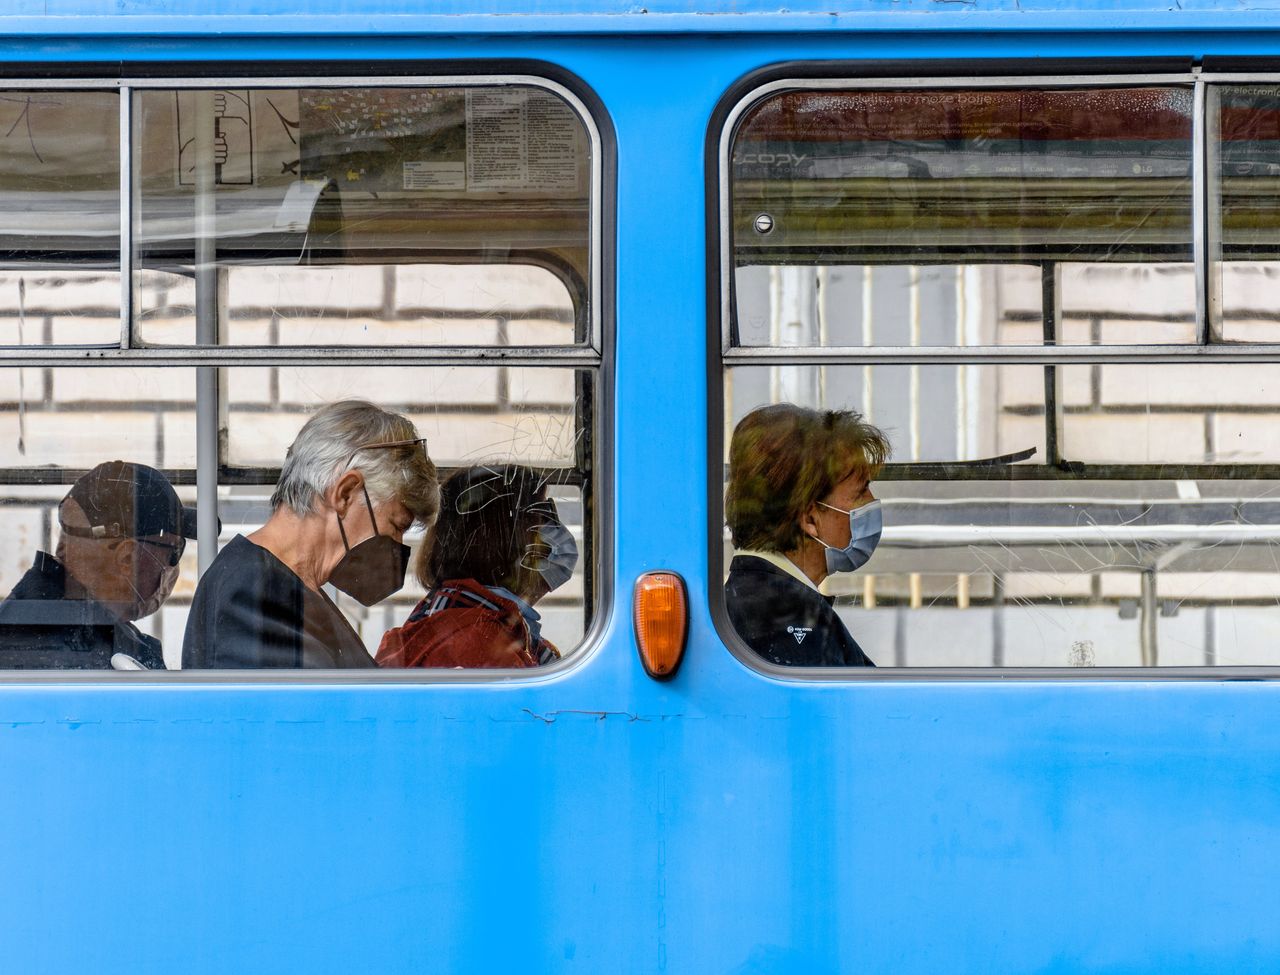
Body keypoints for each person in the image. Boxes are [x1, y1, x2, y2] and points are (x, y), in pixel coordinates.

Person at [182, 401, 439, 669]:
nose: (397, 545)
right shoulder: (255, 591)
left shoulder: (287, 586)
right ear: (345, 494)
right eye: (397, 525)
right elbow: (314, 708)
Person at [724, 404, 890, 667]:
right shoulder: (787, 620)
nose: (872, 502)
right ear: (811, 519)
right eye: (861, 491)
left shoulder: (750, 601)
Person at [0, 460, 200, 670]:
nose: (174, 570)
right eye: (174, 552)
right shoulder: (78, 654)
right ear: (127, 558)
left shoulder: (34, 621)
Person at [376, 464, 576, 669]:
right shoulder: (480, 644)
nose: (555, 531)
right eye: (542, 516)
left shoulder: (463, 621)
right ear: (502, 540)